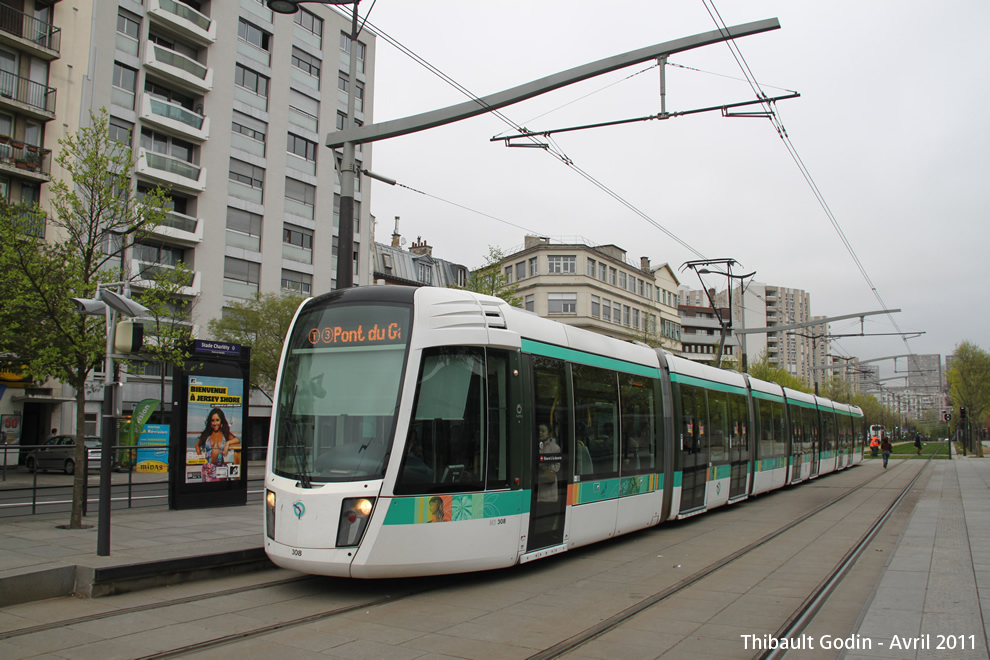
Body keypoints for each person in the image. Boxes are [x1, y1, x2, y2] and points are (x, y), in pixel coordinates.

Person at [195, 408, 241, 482]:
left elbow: (237, 440)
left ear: (221, 421)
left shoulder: (225, 434)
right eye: (213, 420)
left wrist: (227, 443)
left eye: (217, 420)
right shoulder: (207, 434)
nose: (215, 423)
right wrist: (201, 458)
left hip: (220, 469)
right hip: (207, 469)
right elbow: (197, 445)